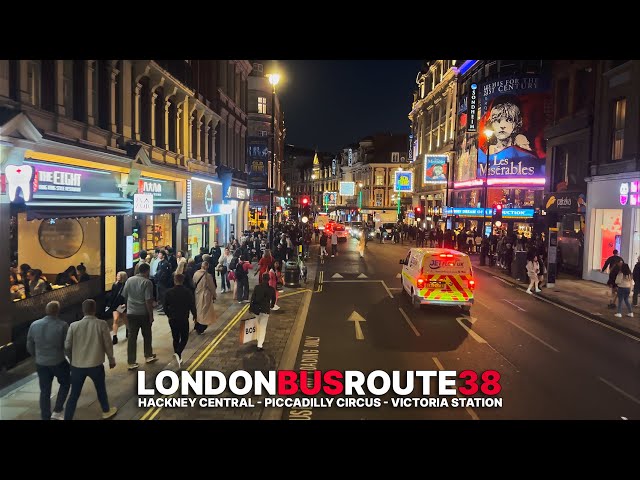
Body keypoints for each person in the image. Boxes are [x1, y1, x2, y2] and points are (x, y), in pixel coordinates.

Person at [63, 299, 118, 420]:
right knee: (101, 389)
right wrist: (111, 359)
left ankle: (68, 417)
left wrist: (72, 359)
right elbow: (107, 344)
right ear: (94, 310)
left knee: (74, 394)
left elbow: (67, 346)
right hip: (96, 365)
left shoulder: (73, 326)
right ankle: (106, 411)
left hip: (77, 366)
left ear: (83, 311)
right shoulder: (101, 324)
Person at [26, 301, 70, 420]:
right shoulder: (62, 325)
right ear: (57, 311)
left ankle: (45, 416)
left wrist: (36, 355)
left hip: (41, 363)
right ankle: (57, 410)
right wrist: (71, 359)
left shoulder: (34, 324)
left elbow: (29, 344)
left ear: (46, 310)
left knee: (44, 390)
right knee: (66, 383)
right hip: (58, 361)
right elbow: (67, 346)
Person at [121, 262, 157, 370]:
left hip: (131, 313)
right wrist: (151, 315)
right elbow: (148, 300)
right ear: (146, 271)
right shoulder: (147, 282)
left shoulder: (129, 280)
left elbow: (125, 296)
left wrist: (128, 309)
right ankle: (148, 356)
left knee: (132, 337)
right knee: (147, 335)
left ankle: (131, 362)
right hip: (143, 313)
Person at [164, 273, 197, 368]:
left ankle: (178, 356)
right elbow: (192, 305)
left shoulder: (168, 292)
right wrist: (195, 315)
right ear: (182, 281)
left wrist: (168, 315)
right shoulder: (187, 292)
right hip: (183, 318)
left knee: (175, 337)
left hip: (173, 318)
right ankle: (178, 354)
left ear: (175, 281)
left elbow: (165, 306)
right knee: (185, 337)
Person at [250, 273, 277, 351]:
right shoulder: (271, 289)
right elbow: (273, 300)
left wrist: (251, 308)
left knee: (258, 325)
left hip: (256, 310)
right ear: (269, 279)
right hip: (265, 310)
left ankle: (258, 338)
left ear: (262, 279)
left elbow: (252, 298)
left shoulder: (257, 287)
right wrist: (271, 306)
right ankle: (260, 344)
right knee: (263, 327)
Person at [193, 261, 217, 334]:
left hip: (197, 294)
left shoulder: (196, 274)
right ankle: (201, 327)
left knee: (198, 311)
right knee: (205, 312)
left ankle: (196, 324)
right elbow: (211, 287)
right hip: (205, 296)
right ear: (206, 266)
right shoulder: (208, 276)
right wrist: (214, 295)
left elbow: (193, 283)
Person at [107, 271, 128, 345]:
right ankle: (114, 336)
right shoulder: (115, 285)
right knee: (116, 319)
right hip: (115, 305)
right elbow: (112, 295)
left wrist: (125, 304)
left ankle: (128, 329)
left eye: (118, 276)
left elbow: (127, 296)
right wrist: (109, 304)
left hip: (122, 305)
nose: (117, 277)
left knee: (124, 318)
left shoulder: (126, 285)